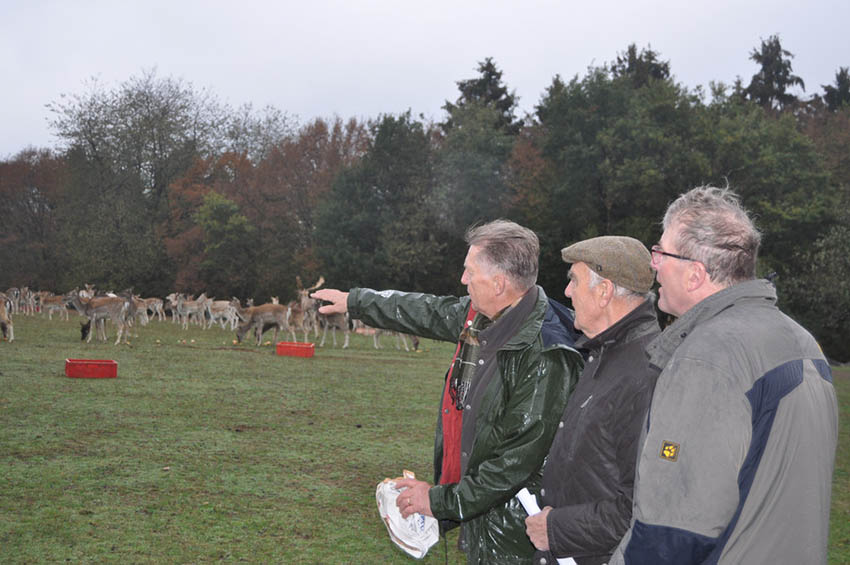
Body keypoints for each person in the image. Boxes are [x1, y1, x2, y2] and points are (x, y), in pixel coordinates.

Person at [312, 220, 583, 564]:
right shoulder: (485, 316)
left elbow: (513, 464)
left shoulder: (545, 355)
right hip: (485, 516)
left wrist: (436, 502)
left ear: (499, 283)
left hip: (517, 535)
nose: (463, 280)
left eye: (470, 272)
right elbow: (426, 310)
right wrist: (356, 301)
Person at [608, 186, 839, 565]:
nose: (654, 265)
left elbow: (673, 531)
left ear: (695, 274)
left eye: (661, 253)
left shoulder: (707, 357)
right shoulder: (800, 341)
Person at [524, 236, 661, 565]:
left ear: (605, 291)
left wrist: (557, 529)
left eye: (574, 280)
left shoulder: (646, 373)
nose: (567, 292)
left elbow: (641, 508)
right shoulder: (603, 353)